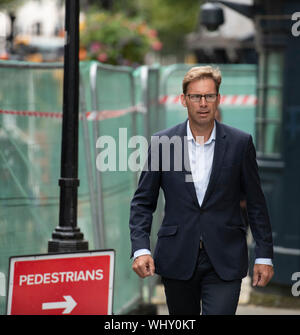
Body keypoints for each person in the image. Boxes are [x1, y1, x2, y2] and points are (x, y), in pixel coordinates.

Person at [129, 66, 274, 315]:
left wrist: (264, 255)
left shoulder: (240, 143)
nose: (203, 103)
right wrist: (141, 249)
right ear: (184, 99)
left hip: (225, 257)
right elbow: (143, 202)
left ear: (218, 99)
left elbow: (256, 203)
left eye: (210, 96)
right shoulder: (163, 143)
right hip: (177, 256)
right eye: (196, 96)